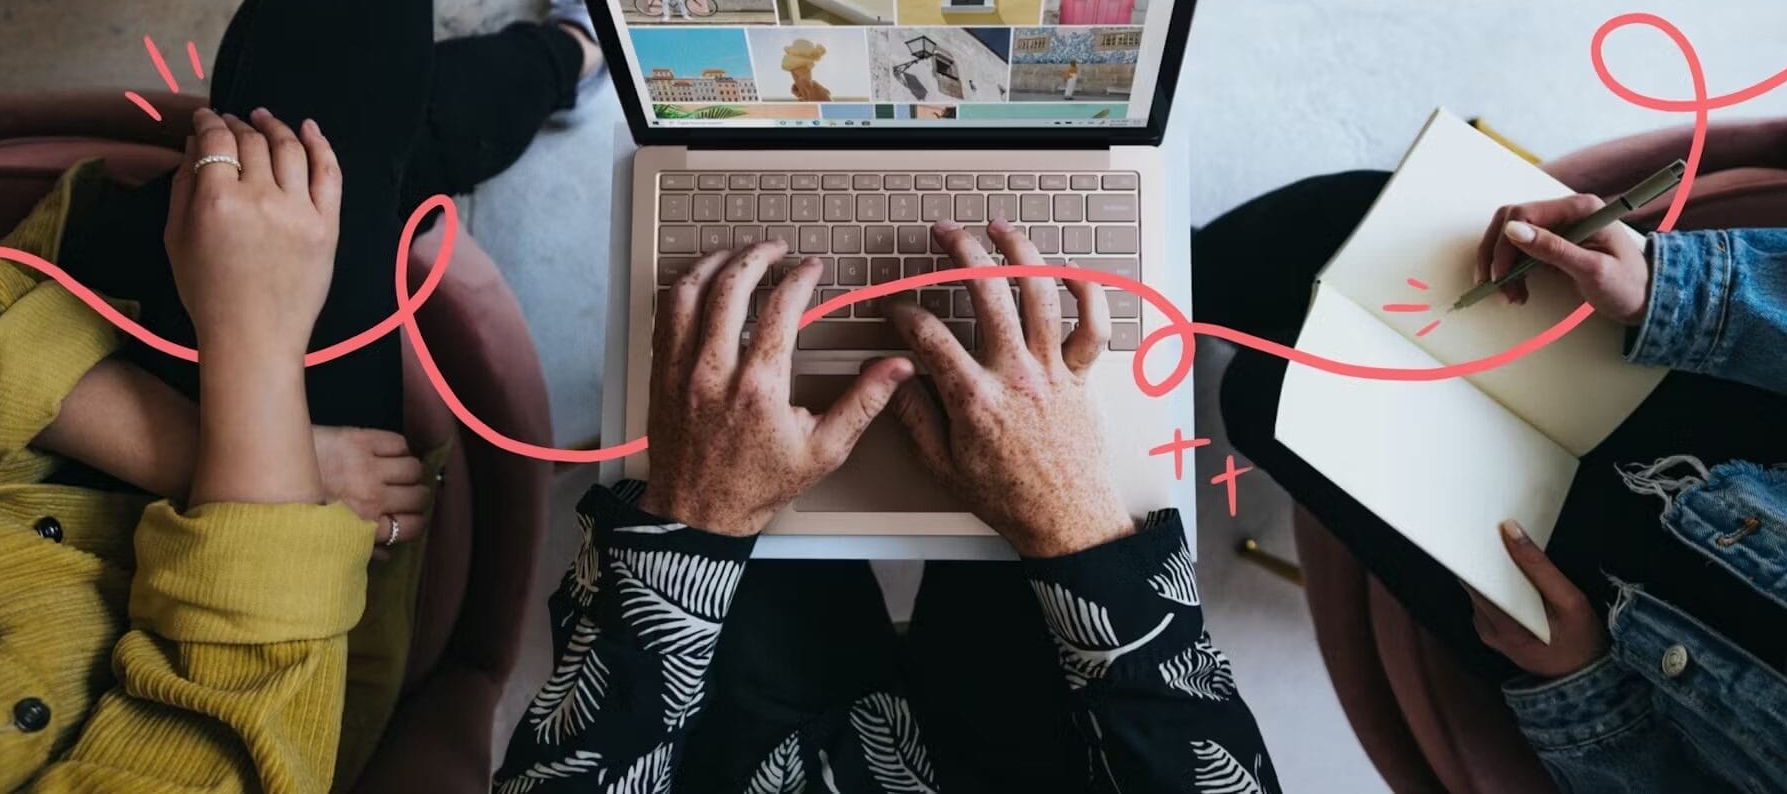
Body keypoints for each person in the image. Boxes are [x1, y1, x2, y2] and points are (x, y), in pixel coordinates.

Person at [0, 0, 604, 789]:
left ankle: (563, 51)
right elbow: (238, 719)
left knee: (329, 154)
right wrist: (254, 352)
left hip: (58, 403)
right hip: (281, 607)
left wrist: (212, 442)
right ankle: (503, 2)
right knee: (327, 132)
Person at [493, 225, 1279, 793]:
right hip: (1060, 760)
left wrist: (701, 515)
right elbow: (1202, 758)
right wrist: (1065, 514)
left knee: (704, 416)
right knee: (1018, 424)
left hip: (744, 763)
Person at [1195, 170, 1787, 794]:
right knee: (1353, 240)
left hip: (1581, 627)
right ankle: (1150, 286)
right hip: (1705, 376)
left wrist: (1582, 685)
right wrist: (1672, 288)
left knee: (1264, 403)